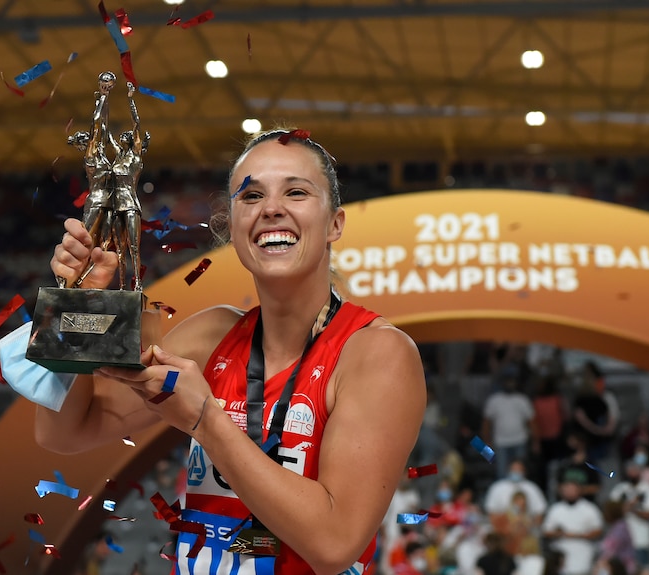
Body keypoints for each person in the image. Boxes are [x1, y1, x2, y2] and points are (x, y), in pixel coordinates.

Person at [39, 129, 427, 575]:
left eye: (296, 192)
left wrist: (206, 421)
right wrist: (78, 306)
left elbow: (334, 544)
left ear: (335, 224)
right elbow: (64, 433)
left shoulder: (376, 352)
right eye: (251, 196)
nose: (271, 208)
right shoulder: (210, 336)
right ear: (232, 226)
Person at [66, 71, 116, 289]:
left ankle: (83, 283)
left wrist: (102, 101)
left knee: (103, 248)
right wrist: (103, 96)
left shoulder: (102, 155)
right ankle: (67, 283)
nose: (91, 139)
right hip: (96, 201)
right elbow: (97, 125)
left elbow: (102, 128)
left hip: (110, 203)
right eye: (85, 139)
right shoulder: (91, 157)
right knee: (84, 244)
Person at [108, 81, 150, 291]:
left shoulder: (135, 157)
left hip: (131, 205)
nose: (122, 137)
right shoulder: (117, 159)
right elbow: (104, 133)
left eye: (127, 136)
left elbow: (137, 124)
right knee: (118, 249)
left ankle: (138, 284)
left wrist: (131, 98)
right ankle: (123, 285)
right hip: (116, 207)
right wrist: (104, 97)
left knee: (133, 247)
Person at [542, 475, 604, 575]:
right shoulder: (556, 509)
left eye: (573, 489)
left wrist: (578, 535)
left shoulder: (590, 508)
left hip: (583, 551)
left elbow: (598, 530)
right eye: (567, 489)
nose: (570, 492)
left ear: (579, 490)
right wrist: (560, 534)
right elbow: (546, 531)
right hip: (561, 553)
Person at [481, 372, 538, 479]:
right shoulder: (494, 400)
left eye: (512, 382)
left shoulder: (522, 399)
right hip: (500, 442)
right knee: (502, 472)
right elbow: (486, 423)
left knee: (521, 471)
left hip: (520, 441)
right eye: (508, 382)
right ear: (503, 383)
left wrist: (535, 441)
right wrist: (486, 442)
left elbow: (531, 422)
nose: (510, 384)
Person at [609, 459, 649, 572]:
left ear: (640, 472)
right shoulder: (620, 489)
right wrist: (630, 505)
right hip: (621, 539)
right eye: (630, 470)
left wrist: (630, 508)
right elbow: (611, 512)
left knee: (644, 569)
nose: (632, 473)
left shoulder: (647, 488)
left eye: (635, 470)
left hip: (641, 537)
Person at [483, 460, 547, 526]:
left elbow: (539, 513)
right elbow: (491, 513)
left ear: (524, 471)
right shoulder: (497, 487)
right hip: (503, 527)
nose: (516, 472)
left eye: (519, 469)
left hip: (527, 528)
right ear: (508, 470)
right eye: (514, 469)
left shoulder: (532, 488)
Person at [596, 500, 636, 575]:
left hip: (623, 567)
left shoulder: (620, 527)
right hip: (616, 566)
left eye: (605, 512)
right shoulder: (615, 526)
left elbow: (611, 548)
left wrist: (600, 562)